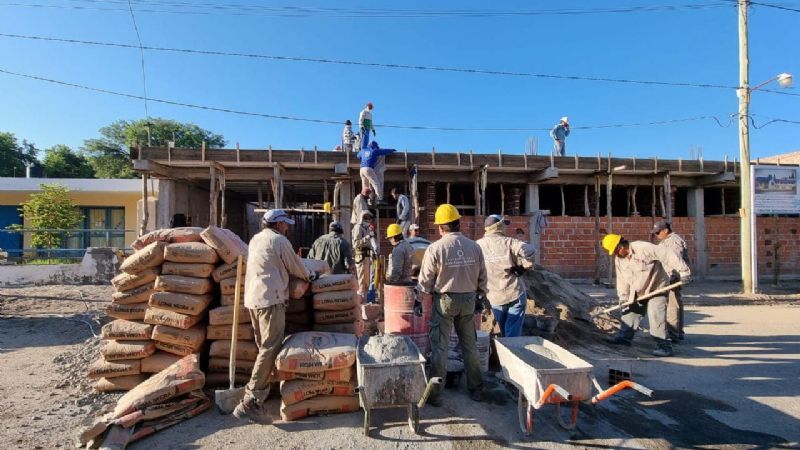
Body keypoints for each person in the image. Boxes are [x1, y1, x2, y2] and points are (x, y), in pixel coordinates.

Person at [234, 209, 316, 423]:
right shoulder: (279, 241)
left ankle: (264, 391)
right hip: (271, 300)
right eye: (285, 224)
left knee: (263, 347)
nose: (287, 227)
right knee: (270, 348)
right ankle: (251, 400)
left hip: (253, 299)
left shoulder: (255, 239)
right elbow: (296, 266)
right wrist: (311, 275)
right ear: (278, 224)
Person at [418, 204, 487, 406]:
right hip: (469, 300)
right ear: (459, 223)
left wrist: (419, 299)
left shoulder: (435, 248)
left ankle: (435, 394)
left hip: (445, 301)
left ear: (441, 227)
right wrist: (480, 296)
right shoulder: (474, 247)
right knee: (470, 346)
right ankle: (476, 389)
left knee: (440, 347)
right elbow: (483, 277)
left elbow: (425, 281)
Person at [601, 233, 691, 357]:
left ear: (620, 246)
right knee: (630, 313)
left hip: (656, 288)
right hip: (638, 290)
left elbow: (666, 254)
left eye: (615, 251)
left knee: (656, 315)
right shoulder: (619, 260)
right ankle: (624, 339)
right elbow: (622, 279)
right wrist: (623, 297)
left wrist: (683, 271)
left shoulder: (642, 248)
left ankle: (664, 346)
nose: (615, 254)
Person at [476, 215, 537, 338]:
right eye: (504, 224)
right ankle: (512, 349)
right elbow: (530, 250)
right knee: (512, 333)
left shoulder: (478, 245)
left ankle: (505, 348)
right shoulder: (509, 242)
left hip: (494, 296)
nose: (505, 227)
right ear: (499, 226)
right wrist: (523, 266)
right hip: (514, 293)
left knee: (504, 330)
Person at [652, 220, 689, 342]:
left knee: (673, 305)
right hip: (668, 276)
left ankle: (673, 334)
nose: (656, 235)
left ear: (666, 230)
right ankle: (677, 332)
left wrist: (668, 278)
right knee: (674, 304)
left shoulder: (673, 241)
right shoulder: (666, 241)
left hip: (672, 277)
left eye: (658, 232)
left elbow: (674, 261)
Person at [351, 211, 376, 295]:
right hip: (360, 255)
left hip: (367, 255)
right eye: (366, 218)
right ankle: (360, 297)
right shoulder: (358, 227)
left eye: (369, 218)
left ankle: (365, 297)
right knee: (361, 279)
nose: (368, 220)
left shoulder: (367, 228)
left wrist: (373, 251)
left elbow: (369, 243)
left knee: (367, 280)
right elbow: (356, 244)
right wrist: (367, 237)